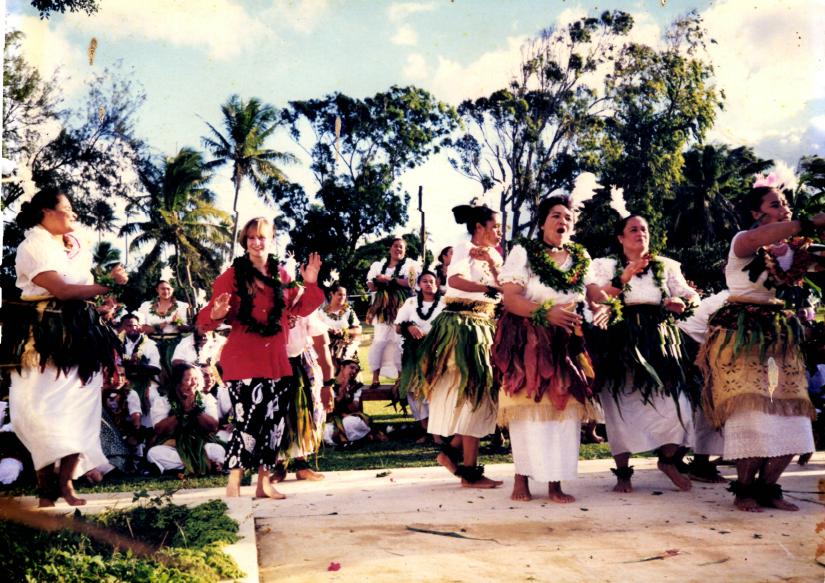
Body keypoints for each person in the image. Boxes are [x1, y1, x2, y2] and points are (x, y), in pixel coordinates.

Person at [698, 185, 823, 511]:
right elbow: (759, 239)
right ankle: (743, 491)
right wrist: (809, 223)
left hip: (780, 337)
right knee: (751, 413)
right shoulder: (743, 241)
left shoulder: (796, 252)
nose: (784, 209)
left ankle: (768, 488)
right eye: (774, 204)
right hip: (741, 335)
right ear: (757, 214)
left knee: (794, 412)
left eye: (785, 204)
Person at [0, 187, 123, 506]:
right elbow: (63, 290)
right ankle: (45, 487)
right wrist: (106, 286)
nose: (73, 214)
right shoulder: (33, 246)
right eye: (67, 209)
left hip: (79, 331)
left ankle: (66, 482)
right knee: (42, 407)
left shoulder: (75, 243)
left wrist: (102, 298)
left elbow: (79, 289)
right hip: (43, 332)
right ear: (47, 213)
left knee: (79, 404)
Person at [196, 217, 323, 499]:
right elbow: (207, 318)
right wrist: (216, 314)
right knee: (247, 422)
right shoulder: (231, 276)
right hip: (244, 359)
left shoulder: (282, 275)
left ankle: (264, 484)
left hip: (276, 359)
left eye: (262, 237)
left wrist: (311, 284)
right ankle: (233, 484)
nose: (256, 242)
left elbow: (299, 309)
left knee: (273, 424)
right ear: (245, 242)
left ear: (271, 239)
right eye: (251, 238)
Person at [493, 196, 597, 502]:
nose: (562, 221)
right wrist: (545, 313)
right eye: (555, 215)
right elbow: (510, 298)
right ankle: (521, 478)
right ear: (542, 222)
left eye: (567, 217)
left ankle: (555, 482)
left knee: (562, 410)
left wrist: (609, 304)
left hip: (567, 341)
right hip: (529, 337)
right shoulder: (524, 252)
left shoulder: (581, 257)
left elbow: (593, 295)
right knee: (527, 408)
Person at [586, 214, 700, 493]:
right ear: (621, 238)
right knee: (621, 404)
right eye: (633, 229)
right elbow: (594, 299)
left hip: (659, 341)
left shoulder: (666, 265)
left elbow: (692, 295)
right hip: (620, 341)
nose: (640, 233)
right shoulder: (606, 265)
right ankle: (623, 473)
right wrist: (623, 277)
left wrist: (682, 302)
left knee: (678, 405)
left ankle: (669, 460)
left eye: (644, 229)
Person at [407, 203, 503, 488]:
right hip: (464, 329)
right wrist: (488, 288)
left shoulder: (493, 254)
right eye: (494, 227)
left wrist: (493, 265)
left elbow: (503, 284)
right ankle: (469, 472)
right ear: (479, 228)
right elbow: (454, 279)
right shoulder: (463, 248)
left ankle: (449, 454)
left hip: (485, 326)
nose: (498, 232)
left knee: (483, 395)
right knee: (472, 394)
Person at [146, 363, 224, 475]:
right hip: (174, 446)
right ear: (177, 383)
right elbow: (160, 430)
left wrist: (196, 411)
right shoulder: (163, 401)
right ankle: (203, 464)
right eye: (188, 379)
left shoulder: (206, 399)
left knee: (217, 450)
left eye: (196, 379)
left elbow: (213, 426)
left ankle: (187, 467)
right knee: (154, 453)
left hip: (201, 445)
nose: (194, 383)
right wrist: (182, 412)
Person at [394, 271, 445, 443]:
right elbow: (398, 327)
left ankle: (438, 431)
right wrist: (409, 326)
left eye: (431, 281)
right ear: (418, 284)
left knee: (435, 389)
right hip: (413, 352)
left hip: (438, 351)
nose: (428, 284)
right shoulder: (410, 302)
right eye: (424, 281)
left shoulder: (444, 303)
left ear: (437, 284)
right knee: (415, 390)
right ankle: (425, 429)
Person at [365, 237, 418, 387]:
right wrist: (377, 282)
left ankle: (401, 377)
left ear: (405, 250)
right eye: (395, 246)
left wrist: (389, 279)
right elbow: (370, 284)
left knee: (398, 340)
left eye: (401, 247)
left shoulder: (409, 265)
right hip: (382, 306)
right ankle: (375, 378)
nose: (398, 249)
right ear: (390, 249)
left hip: (400, 307)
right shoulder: (378, 265)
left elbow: (411, 282)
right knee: (380, 340)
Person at [138, 280, 191, 372]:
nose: (165, 291)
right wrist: (159, 326)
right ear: (157, 290)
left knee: (173, 371)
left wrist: (177, 323)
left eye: (168, 289)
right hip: (151, 342)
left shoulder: (182, 306)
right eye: (162, 289)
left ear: (173, 290)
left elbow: (187, 329)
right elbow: (141, 328)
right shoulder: (146, 305)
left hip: (174, 343)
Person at [319, 283, 362, 368]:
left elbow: (358, 330)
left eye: (344, 295)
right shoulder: (321, 313)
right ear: (332, 294)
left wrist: (344, 332)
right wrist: (329, 332)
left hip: (346, 349)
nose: (342, 297)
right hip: (328, 350)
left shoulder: (348, 311)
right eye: (339, 294)